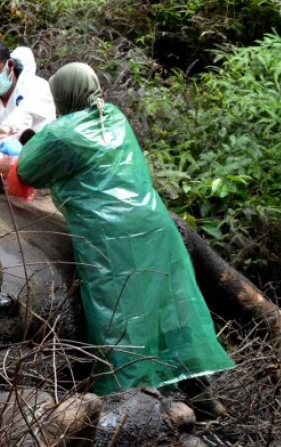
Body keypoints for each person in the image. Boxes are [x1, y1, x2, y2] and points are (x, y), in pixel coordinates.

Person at [15, 62, 235, 414]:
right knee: (170, 308)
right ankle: (202, 396)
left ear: (62, 96)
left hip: (110, 238)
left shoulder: (61, 132)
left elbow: (27, 170)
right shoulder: (114, 115)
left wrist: (22, 146)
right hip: (154, 226)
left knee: (119, 317)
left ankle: (135, 406)